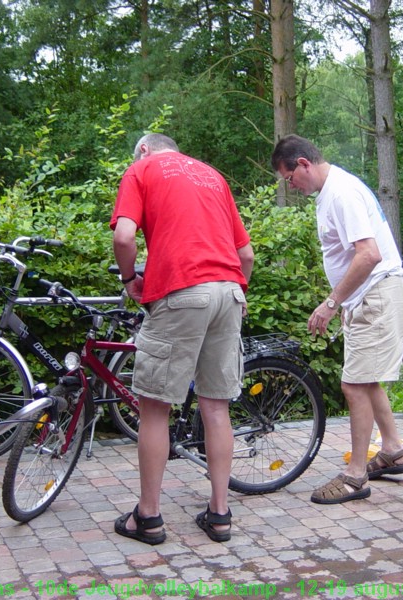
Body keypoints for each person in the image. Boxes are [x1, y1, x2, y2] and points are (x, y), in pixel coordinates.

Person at [110, 133, 254, 543]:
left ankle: (149, 518)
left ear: (144, 149)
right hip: (228, 289)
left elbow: (124, 237)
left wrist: (129, 279)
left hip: (180, 292)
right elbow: (246, 256)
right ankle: (220, 515)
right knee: (216, 406)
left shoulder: (141, 170)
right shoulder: (213, 176)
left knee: (155, 409)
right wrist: (236, 289)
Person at [271, 134, 403, 504]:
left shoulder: (341, 193)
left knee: (353, 386)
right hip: (368, 298)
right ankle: (393, 450)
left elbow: (369, 255)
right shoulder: (332, 191)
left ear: (303, 163)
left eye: (290, 178)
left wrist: (332, 302)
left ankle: (355, 477)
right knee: (366, 381)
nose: (292, 186)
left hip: (376, 295)